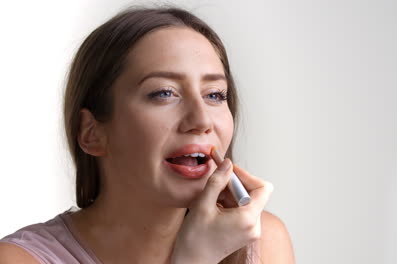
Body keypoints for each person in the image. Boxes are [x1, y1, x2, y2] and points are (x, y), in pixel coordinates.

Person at [0, 5, 295, 264]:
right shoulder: (18, 259)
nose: (201, 119)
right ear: (92, 133)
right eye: (164, 93)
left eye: (215, 95)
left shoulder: (261, 243)